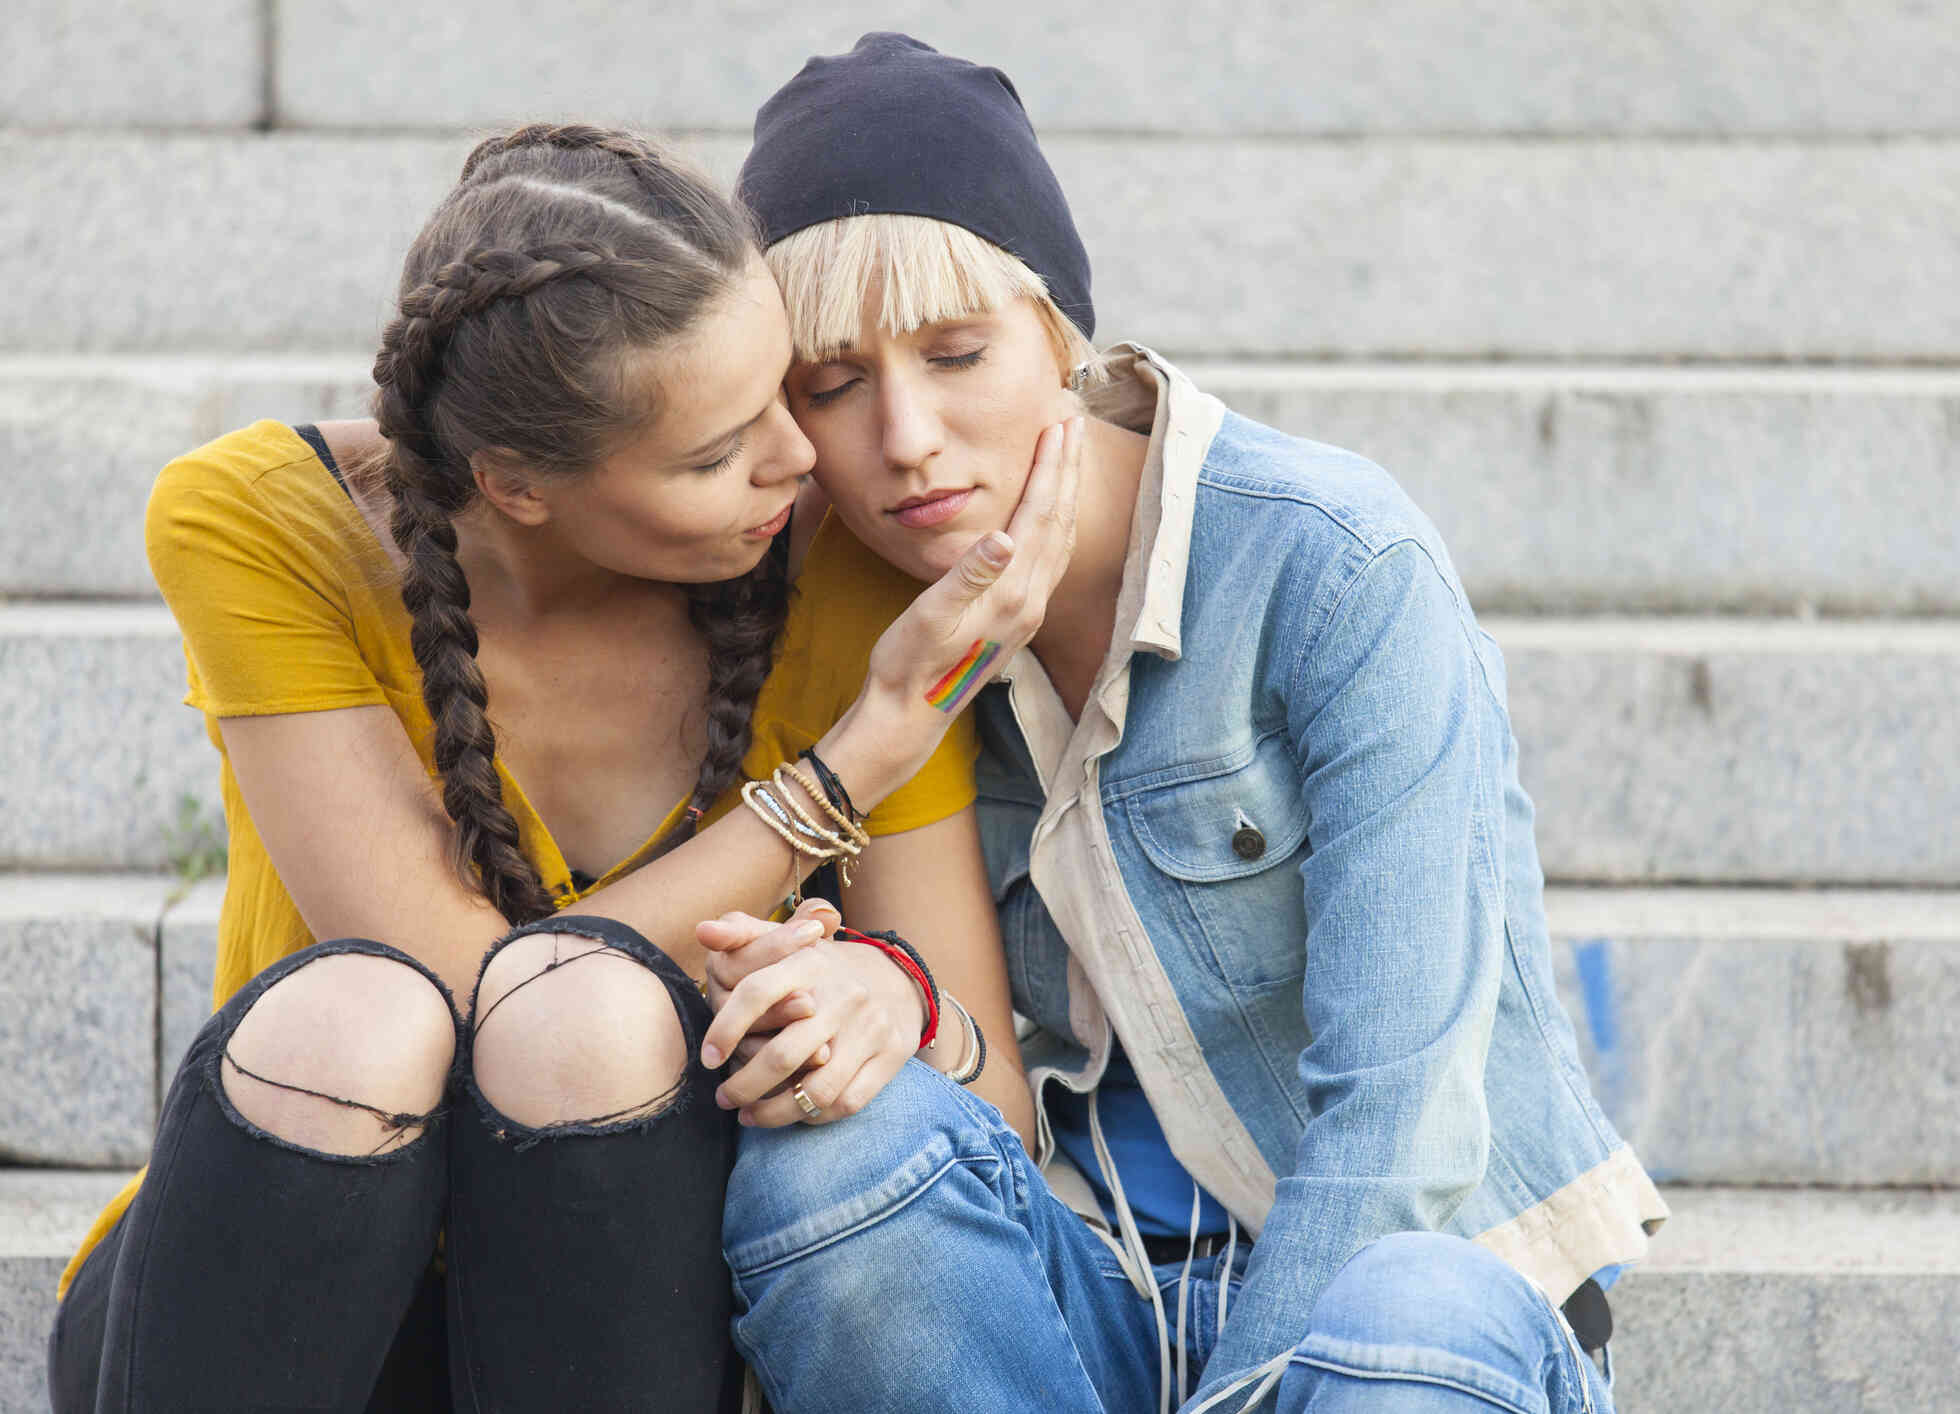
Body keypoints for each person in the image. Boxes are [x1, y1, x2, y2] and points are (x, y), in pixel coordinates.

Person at [705, 34, 1669, 1414]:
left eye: (957, 351)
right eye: (832, 382)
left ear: (1061, 335)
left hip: (1383, 1311)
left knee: (1409, 1294)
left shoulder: (1334, 562)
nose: (904, 436)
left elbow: (1400, 1127)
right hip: (1085, 1294)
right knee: (829, 1164)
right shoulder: (858, 620)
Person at [47, 122, 1075, 1413]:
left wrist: (890, 998)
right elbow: (464, 984)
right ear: (515, 485)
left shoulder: (835, 574)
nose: (803, 459)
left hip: (613, 1309)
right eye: (714, 454)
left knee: (587, 1028)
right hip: (282, 1296)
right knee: (366, 1015)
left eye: (784, 390)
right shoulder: (263, 516)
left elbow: (991, 1099)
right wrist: (846, 763)